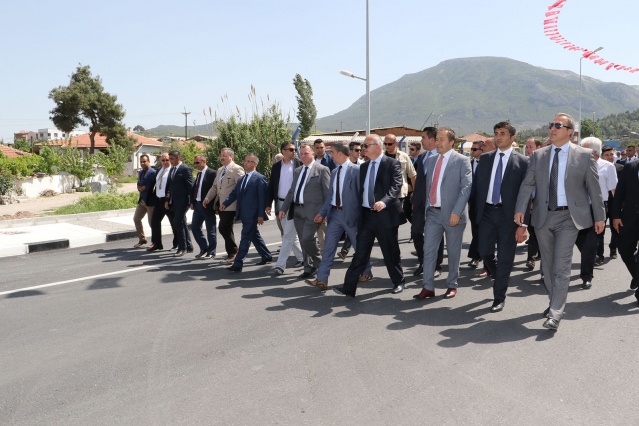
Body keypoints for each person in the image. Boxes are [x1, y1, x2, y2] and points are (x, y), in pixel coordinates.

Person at [515, 113, 605, 331]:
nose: (552, 128)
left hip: (569, 217)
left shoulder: (584, 155)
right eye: (551, 125)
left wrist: (600, 216)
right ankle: (554, 301)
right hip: (543, 216)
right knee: (547, 266)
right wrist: (520, 210)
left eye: (558, 125)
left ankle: (555, 313)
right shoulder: (539, 155)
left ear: (569, 132)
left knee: (561, 266)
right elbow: (528, 184)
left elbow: (594, 189)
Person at [333, 134, 407, 297]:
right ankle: (349, 287)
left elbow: (396, 186)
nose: (363, 149)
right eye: (363, 146)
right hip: (367, 216)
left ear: (377, 146)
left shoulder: (392, 163)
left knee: (390, 252)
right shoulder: (364, 167)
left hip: (385, 215)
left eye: (366, 146)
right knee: (360, 252)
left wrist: (384, 202)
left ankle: (399, 281)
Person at [473, 122, 529, 312]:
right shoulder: (485, 158)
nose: (498, 137)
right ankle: (498, 274)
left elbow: (526, 195)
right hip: (487, 213)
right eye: (496, 133)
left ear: (513, 138)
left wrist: (523, 224)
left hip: (509, 216)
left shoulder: (523, 162)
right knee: (484, 251)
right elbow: (478, 187)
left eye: (503, 133)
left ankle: (499, 297)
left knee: (505, 257)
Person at [413, 127, 472, 300]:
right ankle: (428, 287)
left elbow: (466, 188)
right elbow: (430, 186)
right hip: (433, 213)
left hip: (453, 214)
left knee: (453, 252)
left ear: (451, 142)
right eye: (436, 139)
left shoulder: (462, 160)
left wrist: (457, 212)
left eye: (441, 139)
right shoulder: (431, 160)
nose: (437, 142)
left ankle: (452, 284)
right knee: (428, 251)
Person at [306, 142, 371, 290]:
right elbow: (330, 196)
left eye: (333, 153)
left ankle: (366, 271)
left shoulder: (357, 170)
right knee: (328, 248)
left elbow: (362, 194)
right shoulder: (335, 171)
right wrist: (322, 213)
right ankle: (322, 279)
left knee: (359, 246)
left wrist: (362, 215)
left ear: (340, 153)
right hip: (335, 215)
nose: (331, 155)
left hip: (352, 216)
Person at [279, 144, 330, 279]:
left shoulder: (322, 170)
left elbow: (328, 194)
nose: (303, 156)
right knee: (302, 241)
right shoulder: (298, 171)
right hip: (298, 211)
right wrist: (284, 208)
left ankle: (319, 262)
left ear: (313, 153)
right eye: (301, 154)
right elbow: (292, 191)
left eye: (306, 153)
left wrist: (325, 213)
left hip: (314, 212)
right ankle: (308, 268)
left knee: (307, 238)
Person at [221, 154, 271, 272]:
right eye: (246, 161)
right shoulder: (242, 179)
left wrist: (260, 215)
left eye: (249, 161)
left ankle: (238, 263)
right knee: (254, 236)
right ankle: (266, 255)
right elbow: (234, 193)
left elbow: (262, 198)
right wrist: (225, 203)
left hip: (253, 214)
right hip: (243, 213)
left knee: (245, 237)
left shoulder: (259, 178)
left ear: (255, 164)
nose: (246, 163)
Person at [266, 142, 304, 275]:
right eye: (291, 149)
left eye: (295, 149)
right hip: (280, 204)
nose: (294, 152)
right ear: (283, 151)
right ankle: (303, 258)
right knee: (290, 234)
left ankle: (280, 265)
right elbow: (272, 186)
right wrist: (268, 204)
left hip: (294, 205)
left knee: (287, 235)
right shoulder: (276, 167)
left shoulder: (299, 164)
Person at [411, 127, 445, 277]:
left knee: (436, 235)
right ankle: (424, 262)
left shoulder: (442, 157)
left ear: (432, 139)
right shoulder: (422, 157)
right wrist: (414, 199)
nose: (421, 141)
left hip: (436, 203)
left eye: (423, 137)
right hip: (420, 203)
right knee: (416, 232)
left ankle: (436, 265)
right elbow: (419, 181)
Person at [580, 137, 617, 270]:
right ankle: (591, 255)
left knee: (597, 233)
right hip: (582, 205)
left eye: (583, 149)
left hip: (600, 205)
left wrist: (617, 211)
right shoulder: (579, 165)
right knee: (584, 235)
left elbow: (613, 189)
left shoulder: (608, 166)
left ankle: (598, 255)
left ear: (593, 151)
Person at [203, 148, 245, 264]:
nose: (221, 158)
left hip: (231, 205)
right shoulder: (220, 170)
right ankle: (232, 253)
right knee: (226, 228)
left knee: (223, 227)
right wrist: (207, 198)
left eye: (224, 156)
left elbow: (241, 187)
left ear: (231, 157)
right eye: (221, 155)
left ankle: (234, 252)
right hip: (221, 205)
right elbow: (215, 187)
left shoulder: (237, 169)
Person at [611, 153, 639, 304]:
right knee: (624, 249)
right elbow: (620, 192)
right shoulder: (630, 167)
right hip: (629, 218)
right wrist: (616, 216)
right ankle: (637, 275)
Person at [165, 150, 194, 257]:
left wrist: (192, 201)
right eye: (169, 159)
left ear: (178, 158)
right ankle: (189, 246)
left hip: (183, 201)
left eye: (172, 159)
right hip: (175, 201)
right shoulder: (172, 169)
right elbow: (171, 185)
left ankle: (182, 247)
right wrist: (167, 199)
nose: (170, 161)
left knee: (177, 222)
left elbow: (191, 186)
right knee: (182, 222)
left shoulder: (185, 169)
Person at [384, 134, 416, 226]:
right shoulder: (381, 157)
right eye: (385, 144)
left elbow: (413, 175)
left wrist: (415, 193)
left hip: (399, 194)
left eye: (389, 144)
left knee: (395, 221)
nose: (387, 146)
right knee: (385, 220)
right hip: (384, 193)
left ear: (396, 144)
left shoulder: (404, 157)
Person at [190, 154, 217, 259]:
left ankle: (211, 251)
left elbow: (215, 189)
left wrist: (215, 204)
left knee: (211, 229)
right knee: (195, 227)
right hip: (197, 205)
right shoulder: (199, 174)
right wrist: (192, 202)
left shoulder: (212, 173)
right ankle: (204, 248)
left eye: (197, 162)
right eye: (194, 163)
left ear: (204, 161)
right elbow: (195, 188)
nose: (195, 165)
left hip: (207, 206)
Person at [148, 153, 176, 251]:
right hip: (159, 200)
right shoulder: (159, 170)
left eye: (167, 160)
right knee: (154, 221)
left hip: (168, 200)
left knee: (173, 222)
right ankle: (157, 243)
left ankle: (177, 243)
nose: (165, 162)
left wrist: (168, 199)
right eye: (163, 160)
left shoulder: (172, 171)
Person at [524, 138, 543, 269]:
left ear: (539, 148)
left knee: (538, 233)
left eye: (531, 147)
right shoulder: (524, 163)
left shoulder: (544, 163)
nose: (528, 149)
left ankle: (534, 257)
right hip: (528, 206)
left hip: (542, 205)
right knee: (533, 232)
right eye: (526, 147)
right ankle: (532, 257)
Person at [602, 145, 623, 259]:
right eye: (606, 155)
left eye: (611, 154)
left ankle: (613, 248)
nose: (610, 157)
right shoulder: (598, 168)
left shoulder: (621, 168)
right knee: (600, 229)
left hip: (616, 203)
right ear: (602, 156)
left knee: (616, 228)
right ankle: (599, 254)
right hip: (603, 202)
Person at [133, 154, 157, 248]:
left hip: (150, 201)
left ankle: (155, 242)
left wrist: (146, 188)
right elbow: (139, 183)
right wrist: (139, 187)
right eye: (141, 162)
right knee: (136, 219)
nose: (142, 163)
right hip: (142, 200)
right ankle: (142, 239)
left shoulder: (153, 172)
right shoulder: (141, 172)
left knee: (152, 223)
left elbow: (155, 185)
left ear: (149, 161)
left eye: (144, 161)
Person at [466, 140, 484, 268]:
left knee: (480, 230)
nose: (472, 151)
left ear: (482, 151)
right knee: (475, 229)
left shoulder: (488, 164)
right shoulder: (469, 164)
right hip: (472, 203)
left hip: (484, 203)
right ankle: (479, 254)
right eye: (471, 149)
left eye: (474, 149)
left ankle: (476, 256)